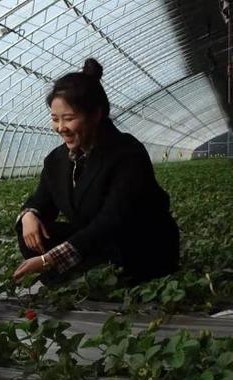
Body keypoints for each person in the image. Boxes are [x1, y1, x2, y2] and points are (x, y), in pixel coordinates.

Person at [13, 58, 179, 285]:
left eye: (69, 118)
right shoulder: (56, 160)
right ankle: (84, 282)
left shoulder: (127, 153)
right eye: (55, 119)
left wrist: (49, 260)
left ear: (96, 115)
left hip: (136, 245)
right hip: (96, 244)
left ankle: (91, 282)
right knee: (35, 234)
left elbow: (112, 220)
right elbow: (41, 199)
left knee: (120, 255)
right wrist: (30, 215)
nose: (61, 127)